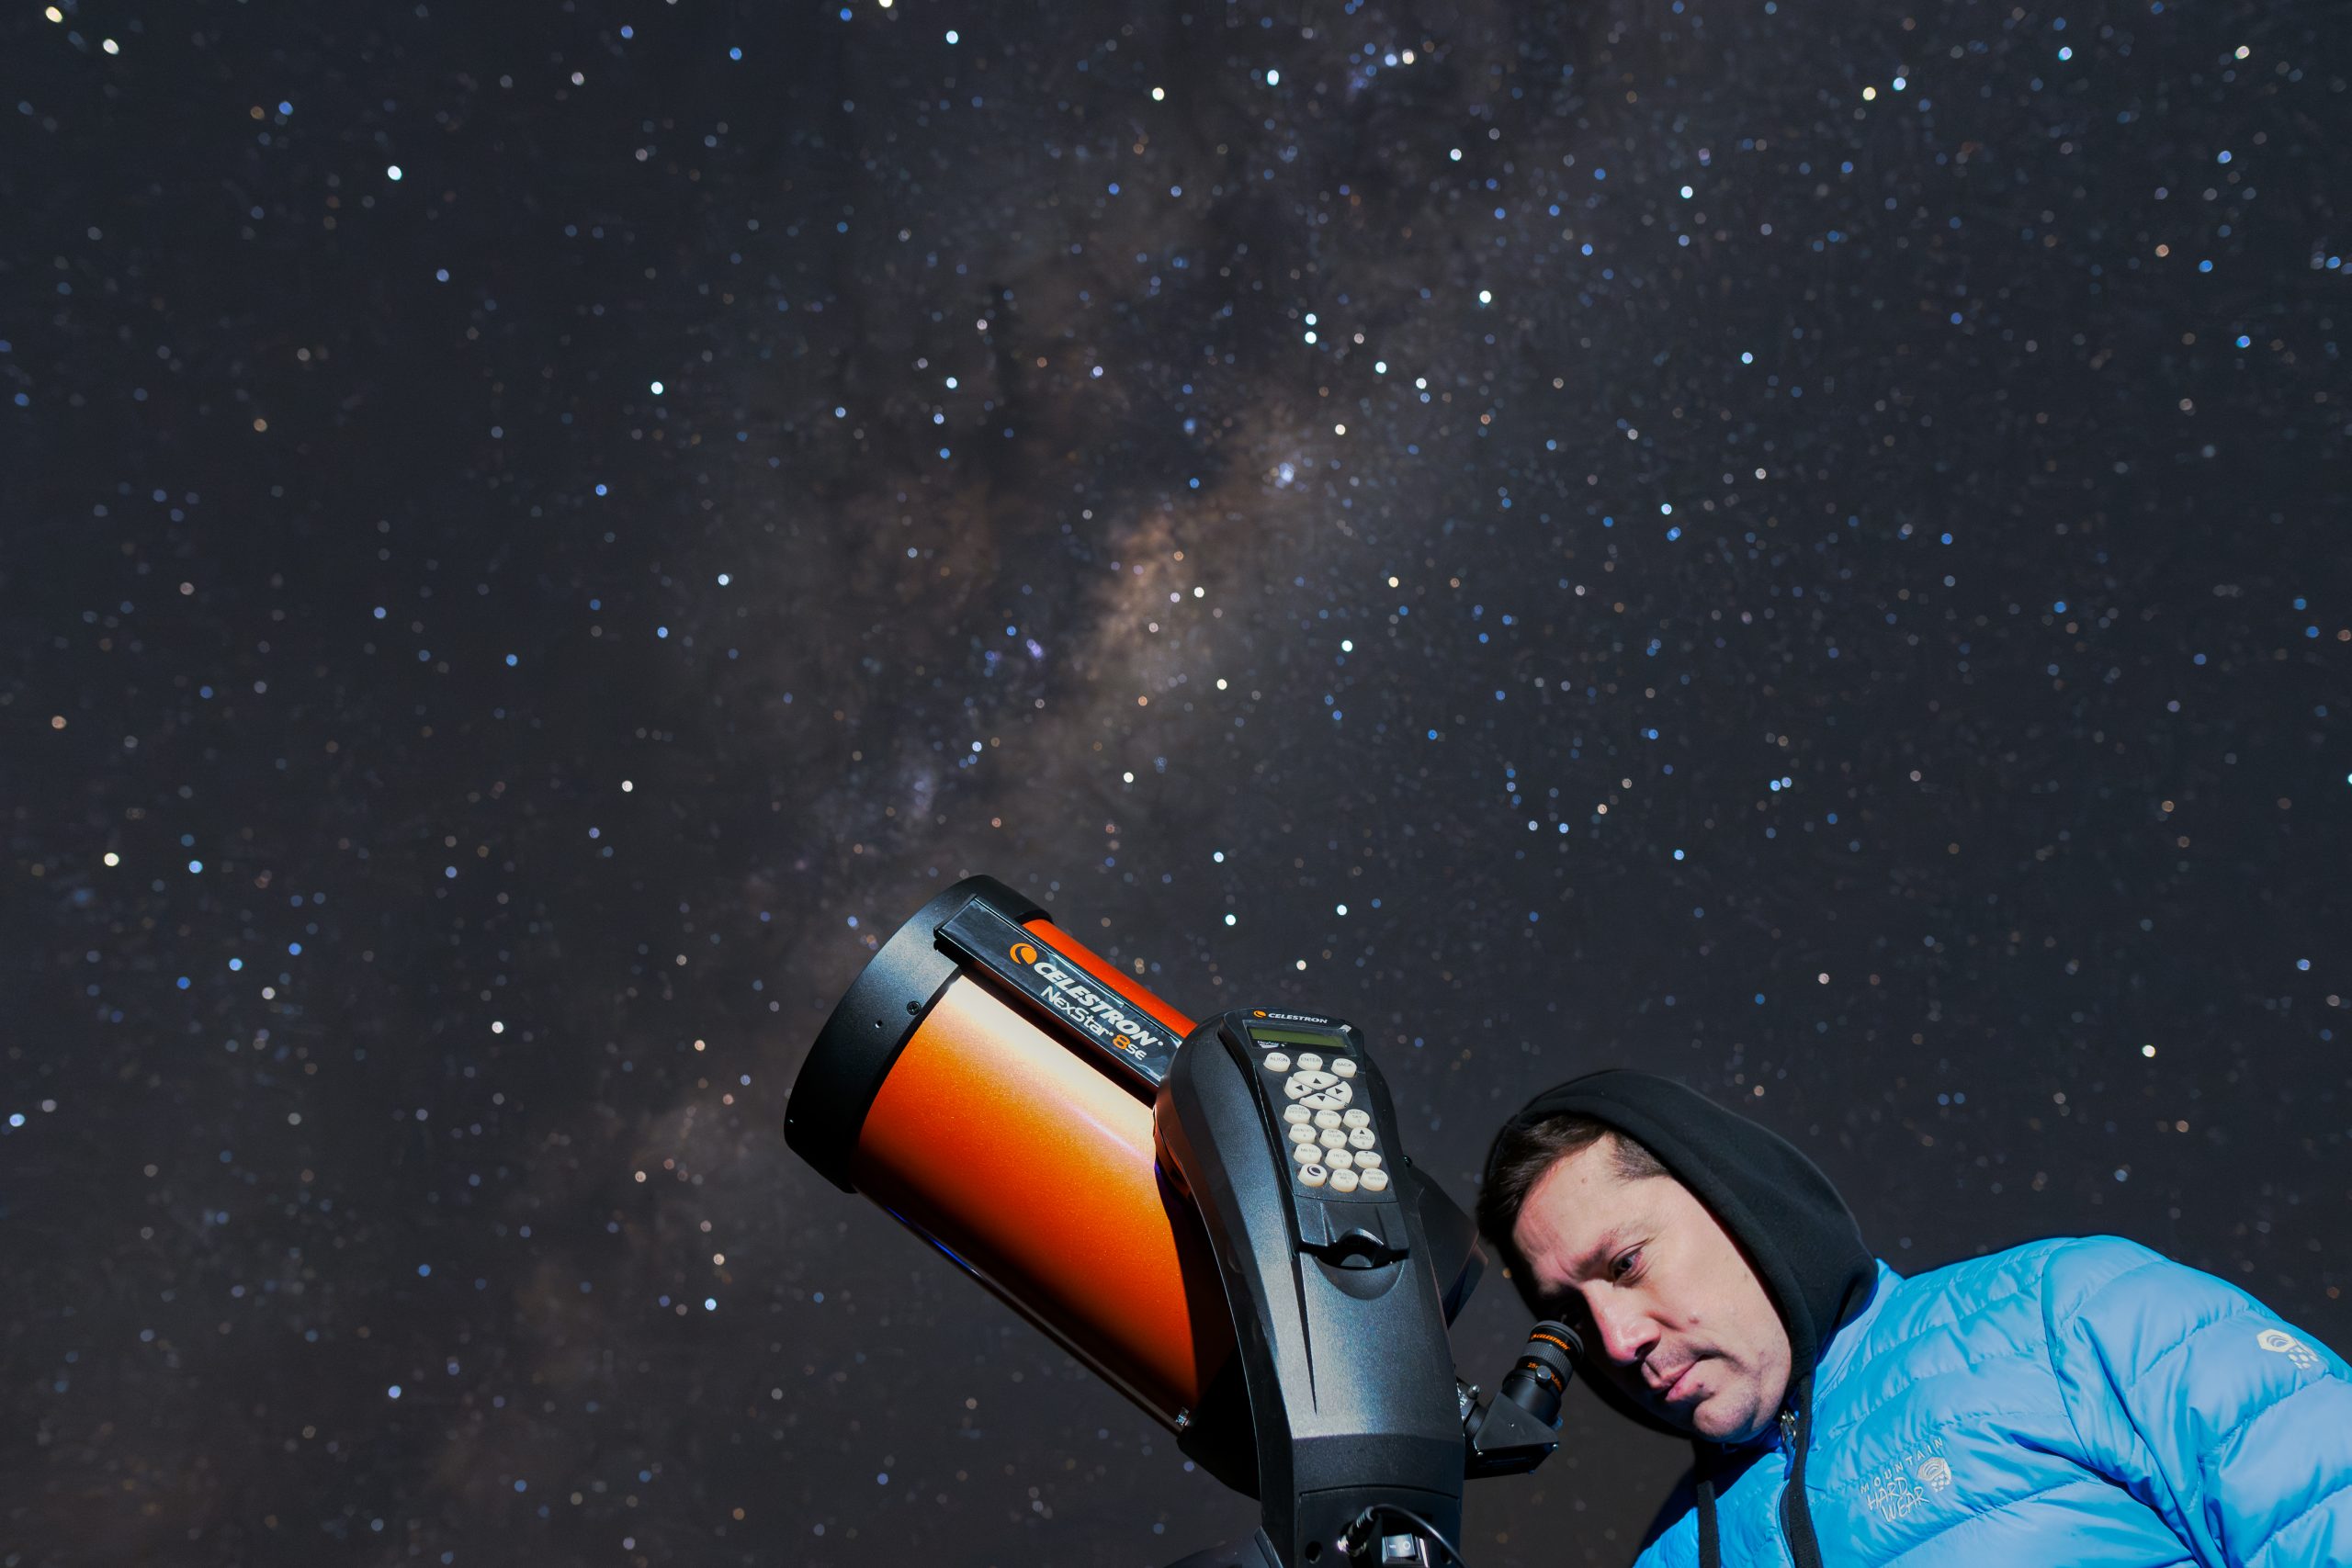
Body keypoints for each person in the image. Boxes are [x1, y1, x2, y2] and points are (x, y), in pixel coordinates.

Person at [1476, 1069, 2352, 1567]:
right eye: (1574, 1315)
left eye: (1627, 1264)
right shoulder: (1669, 1558)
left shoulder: (2076, 1314)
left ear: (1733, 1198)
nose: (1618, 1340)